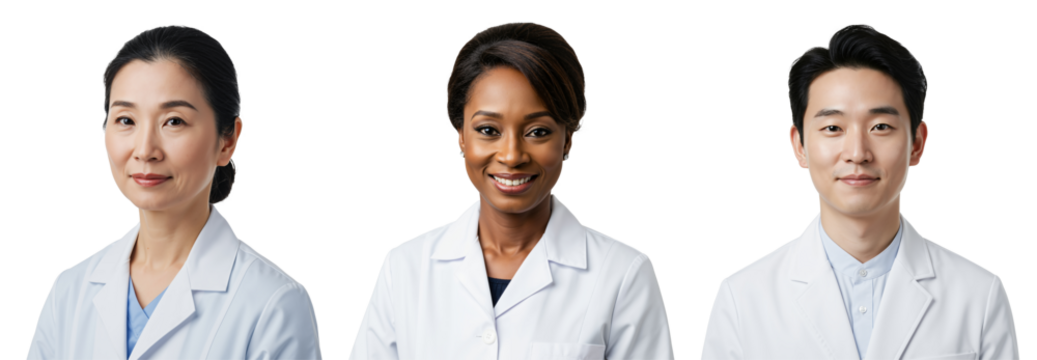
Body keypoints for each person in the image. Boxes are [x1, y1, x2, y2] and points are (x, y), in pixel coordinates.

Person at [348, 21, 675, 360]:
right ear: (460, 134)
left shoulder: (623, 275)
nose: (511, 156)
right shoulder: (404, 268)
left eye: (537, 132)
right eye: (488, 129)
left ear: (569, 139)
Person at [700, 23, 1020, 359]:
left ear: (917, 143)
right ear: (799, 146)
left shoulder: (978, 296)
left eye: (880, 126)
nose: (857, 152)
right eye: (833, 127)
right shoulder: (743, 298)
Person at [25, 24, 323, 360]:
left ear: (228, 140)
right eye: (126, 120)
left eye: (174, 121)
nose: (145, 150)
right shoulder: (68, 291)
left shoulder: (274, 303)